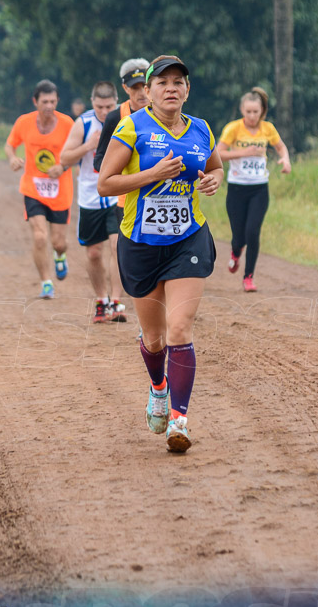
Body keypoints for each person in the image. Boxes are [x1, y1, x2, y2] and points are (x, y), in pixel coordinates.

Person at [97, 55, 223, 453]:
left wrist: (212, 181)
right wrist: (153, 175)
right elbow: (105, 184)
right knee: (154, 340)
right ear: (147, 92)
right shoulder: (131, 127)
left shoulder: (201, 129)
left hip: (187, 238)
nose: (171, 88)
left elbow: (216, 168)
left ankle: (179, 421)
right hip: (141, 244)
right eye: (162, 82)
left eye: (179, 82)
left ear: (187, 90)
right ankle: (158, 387)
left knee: (180, 328)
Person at [59, 81, 128, 323]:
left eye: (109, 106)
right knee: (94, 253)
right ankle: (102, 300)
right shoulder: (83, 123)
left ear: (116, 101)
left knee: (117, 246)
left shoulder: (125, 119)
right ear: (92, 103)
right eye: (99, 106)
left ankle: (117, 302)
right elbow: (64, 157)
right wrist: (88, 146)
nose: (104, 111)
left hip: (117, 193)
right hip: (90, 195)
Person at [4, 80, 75, 299]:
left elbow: (76, 153)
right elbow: (9, 145)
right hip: (33, 188)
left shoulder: (67, 124)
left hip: (60, 189)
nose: (49, 106)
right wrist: (13, 158)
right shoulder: (24, 122)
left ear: (57, 101)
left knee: (58, 242)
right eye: (44, 101)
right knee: (39, 237)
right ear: (35, 101)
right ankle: (46, 282)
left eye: (53, 101)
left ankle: (60, 256)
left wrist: (62, 166)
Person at [92, 57, 151, 318]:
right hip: (125, 200)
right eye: (135, 87)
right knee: (126, 253)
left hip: (163, 201)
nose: (141, 93)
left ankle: (148, 316)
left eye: (145, 86)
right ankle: (119, 302)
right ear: (126, 88)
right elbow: (99, 161)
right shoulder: (116, 117)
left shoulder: (166, 113)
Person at [218, 87, 291, 292]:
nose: (252, 116)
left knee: (252, 232)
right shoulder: (233, 128)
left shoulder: (268, 128)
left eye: (255, 112)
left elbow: (281, 147)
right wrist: (244, 152)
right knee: (238, 236)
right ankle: (235, 251)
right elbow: (218, 153)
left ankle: (248, 276)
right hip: (236, 188)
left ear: (262, 112)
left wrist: (285, 160)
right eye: (248, 112)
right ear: (242, 110)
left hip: (259, 188)